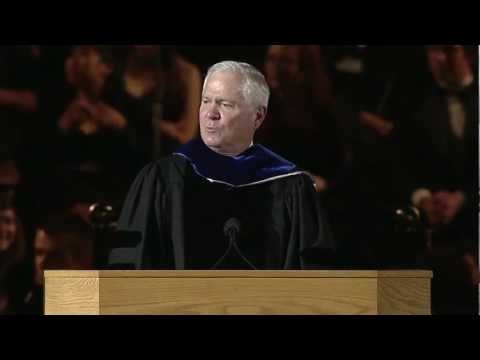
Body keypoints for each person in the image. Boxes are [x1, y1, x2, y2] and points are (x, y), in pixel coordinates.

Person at [108, 61, 335, 270]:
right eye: (206, 101)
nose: (210, 113)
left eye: (225, 104)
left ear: (258, 116)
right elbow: (132, 269)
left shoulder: (290, 187)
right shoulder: (160, 180)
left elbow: (313, 281)